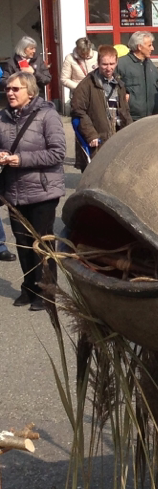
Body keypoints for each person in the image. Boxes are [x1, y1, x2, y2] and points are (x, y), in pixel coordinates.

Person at [0, 71, 65, 311]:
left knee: (41, 244)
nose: (10, 93)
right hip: (14, 190)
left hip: (43, 191)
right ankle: (28, 288)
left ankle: (47, 293)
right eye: (7, 89)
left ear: (30, 92)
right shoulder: (3, 117)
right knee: (22, 243)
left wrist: (22, 159)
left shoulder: (48, 115)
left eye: (15, 89)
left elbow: (58, 152)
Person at [70, 44, 131, 171]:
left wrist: (130, 132)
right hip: (96, 138)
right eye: (104, 64)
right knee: (94, 176)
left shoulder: (119, 84)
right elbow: (78, 112)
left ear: (116, 62)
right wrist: (91, 135)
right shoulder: (86, 85)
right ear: (98, 63)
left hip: (116, 137)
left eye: (112, 64)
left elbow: (125, 112)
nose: (109, 68)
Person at [115, 31, 158, 121]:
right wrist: (125, 98)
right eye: (149, 45)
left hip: (152, 116)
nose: (152, 48)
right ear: (139, 47)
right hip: (132, 117)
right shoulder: (122, 64)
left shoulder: (149, 64)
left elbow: (156, 83)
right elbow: (112, 86)